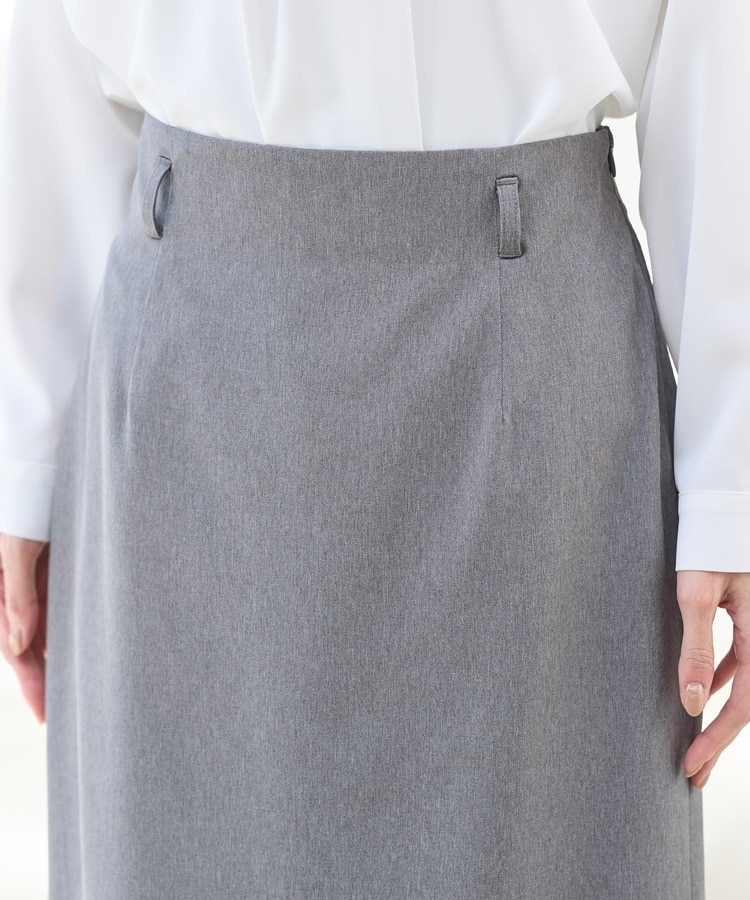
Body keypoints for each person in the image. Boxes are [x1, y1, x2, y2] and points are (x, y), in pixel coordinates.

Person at [0, 0, 748, 896]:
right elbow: (50, 56)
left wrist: (731, 481)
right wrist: (26, 445)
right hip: (185, 389)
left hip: (537, 378)